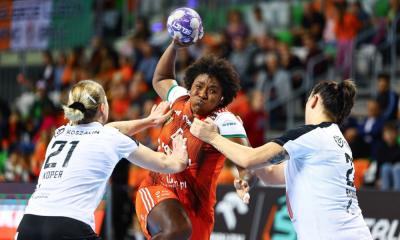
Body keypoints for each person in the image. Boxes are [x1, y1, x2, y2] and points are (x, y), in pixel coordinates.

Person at [191, 80, 373, 239]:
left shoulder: (312, 135)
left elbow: (249, 160)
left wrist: (213, 137)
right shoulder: (333, 140)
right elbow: (270, 174)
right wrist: (242, 135)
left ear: (314, 100)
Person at [15, 80, 189, 240]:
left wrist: (148, 121)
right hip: (69, 225)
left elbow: (110, 129)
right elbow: (163, 163)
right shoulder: (110, 137)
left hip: (29, 223)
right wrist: (180, 162)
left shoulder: (60, 132)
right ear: (103, 108)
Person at [135, 36, 256, 240]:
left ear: (222, 98)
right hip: (157, 188)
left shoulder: (225, 120)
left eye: (212, 91)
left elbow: (248, 161)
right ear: (190, 87)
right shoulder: (179, 98)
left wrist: (245, 181)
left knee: (182, 229)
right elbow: (161, 77)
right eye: (198, 87)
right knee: (178, 230)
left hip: (197, 210)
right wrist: (174, 47)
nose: (202, 94)